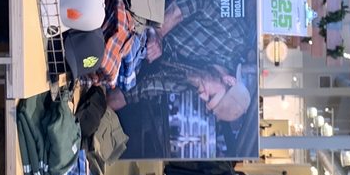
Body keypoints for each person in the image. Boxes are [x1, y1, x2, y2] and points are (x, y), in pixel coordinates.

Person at [108, 61, 251, 123]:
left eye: (206, 102)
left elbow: (132, 94)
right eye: (211, 96)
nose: (202, 96)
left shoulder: (182, 85)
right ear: (228, 81)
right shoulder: (211, 45)